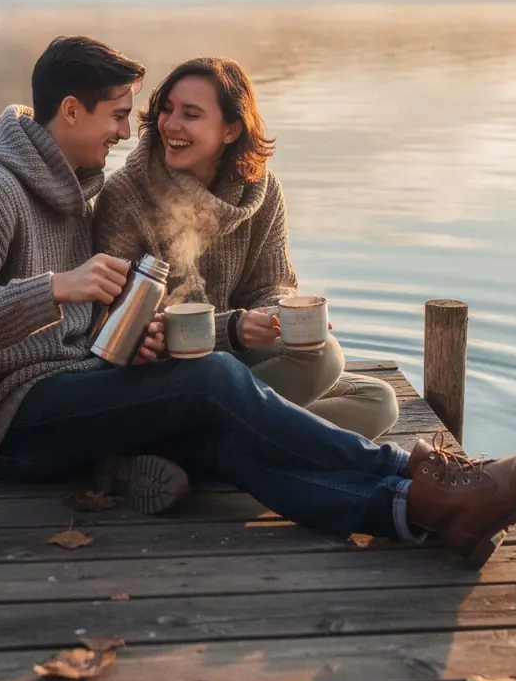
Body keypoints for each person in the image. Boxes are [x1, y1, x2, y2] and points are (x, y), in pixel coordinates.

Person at [0, 34, 516, 571]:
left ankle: (416, 512)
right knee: (213, 382)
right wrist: (60, 288)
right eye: (120, 114)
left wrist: (119, 333)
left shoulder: (68, 191)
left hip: (66, 389)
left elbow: (81, 332)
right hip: (0, 422)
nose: (129, 132)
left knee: (231, 438)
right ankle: (422, 476)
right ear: (72, 111)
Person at [93, 56, 398, 440]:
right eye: (167, 109)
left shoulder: (262, 191)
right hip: (168, 377)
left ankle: (199, 451)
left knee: (376, 397)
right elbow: (129, 331)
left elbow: (273, 283)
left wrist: (277, 315)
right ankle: (223, 445)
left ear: (231, 129)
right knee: (327, 361)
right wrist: (232, 329)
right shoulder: (125, 197)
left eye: (191, 114)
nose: (171, 125)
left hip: (244, 367)